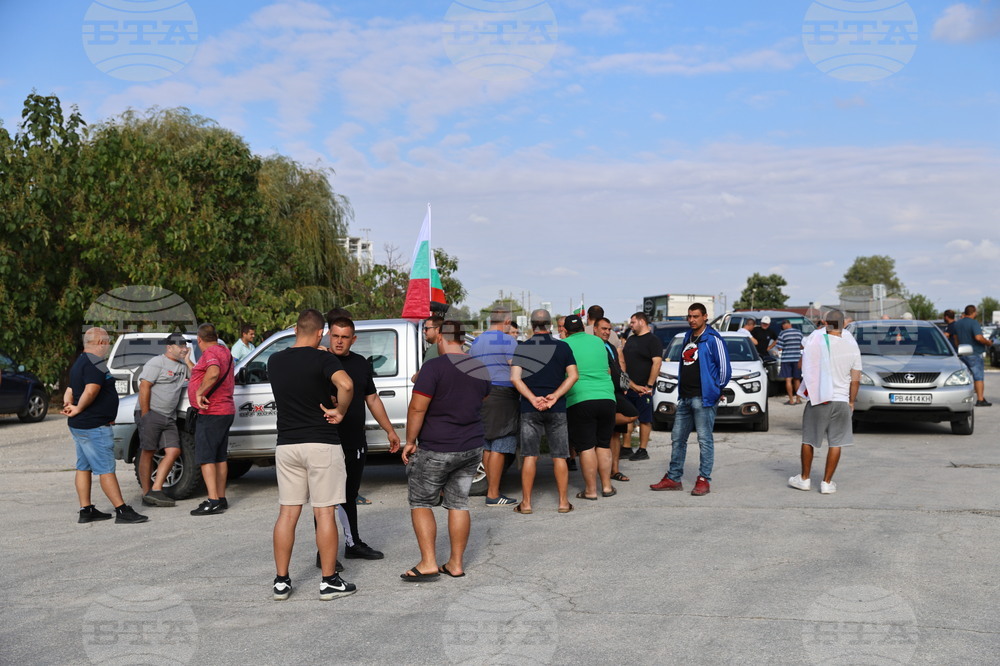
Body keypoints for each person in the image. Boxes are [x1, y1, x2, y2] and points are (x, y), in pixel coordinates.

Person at [268, 309, 355, 600]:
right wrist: (339, 411)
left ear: (295, 329)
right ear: (322, 333)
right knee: (324, 511)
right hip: (321, 443)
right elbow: (346, 384)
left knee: (288, 513)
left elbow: (298, 384)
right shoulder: (324, 358)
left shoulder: (275, 360)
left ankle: (281, 581)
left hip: (287, 444)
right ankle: (329, 580)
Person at [401, 320, 491, 580]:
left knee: (420, 502)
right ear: (463, 339)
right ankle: (456, 563)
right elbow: (482, 397)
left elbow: (417, 408)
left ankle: (428, 562)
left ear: (440, 336)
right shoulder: (479, 367)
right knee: (458, 504)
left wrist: (410, 441)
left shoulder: (434, 367)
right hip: (472, 446)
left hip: (437, 447)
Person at [326, 316, 401, 560]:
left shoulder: (360, 363)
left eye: (344, 337)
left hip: (355, 439)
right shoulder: (320, 361)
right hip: (327, 440)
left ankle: (352, 543)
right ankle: (324, 554)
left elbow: (372, 399)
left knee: (349, 493)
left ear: (353, 339)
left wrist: (389, 430)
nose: (339, 341)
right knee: (326, 500)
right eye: (335, 336)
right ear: (328, 335)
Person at [62, 328, 148, 524]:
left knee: (83, 467)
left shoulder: (80, 361)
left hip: (81, 425)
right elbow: (91, 391)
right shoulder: (94, 364)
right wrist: (77, 408)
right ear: (100, 342)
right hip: (93, 426)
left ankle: (86, 510)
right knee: (105, 469)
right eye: (107, 342)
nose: (108, 347)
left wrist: (69, 404)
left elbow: (70, 389)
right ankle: (121, 510)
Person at [651, 303, 731, 496]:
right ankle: (673, 478)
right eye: (689, 316)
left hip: (703, 398)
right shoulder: (688, 337)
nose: (692, 320)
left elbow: (725, 370)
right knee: (678, 438)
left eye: (696, 316)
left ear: (705, 317)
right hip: (685, 397)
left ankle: (704, 479)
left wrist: (715, 390)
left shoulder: (713, 339)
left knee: (704, 440)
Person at [510, 309, 578, 514]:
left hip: (530, 408)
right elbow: (573, 376)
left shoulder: (522, 348)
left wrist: (532, 398)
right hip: (556, 407)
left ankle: (527, 504)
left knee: (530, 455)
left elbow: (515, 378)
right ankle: (564, 503)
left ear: (531, 325)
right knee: (559, 456)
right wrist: (555, 396)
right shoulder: (562, 347)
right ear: (550, 325)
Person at [788, 309, 862, 494]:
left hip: (819, 398)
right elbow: (856, 379)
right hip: (842, 399)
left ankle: (804, 479)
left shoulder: (816, 341)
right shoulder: (852, 345)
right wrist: (851, 402)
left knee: (809, 440)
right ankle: (827, 483)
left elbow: (801, 365)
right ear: (843, 323)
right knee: (836, 442)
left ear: (824, 323)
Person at [469, 306, 520, 506]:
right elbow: (515, 368)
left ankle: (492, 490)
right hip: (502, 395)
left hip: (481, 394)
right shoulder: (508, 340)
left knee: (488, 445)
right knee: (500, 444)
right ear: (507, 321)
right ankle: (493, 493)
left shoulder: (477, 341)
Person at [562, 315, 617, 500]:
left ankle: (591, 491)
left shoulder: (565, 344)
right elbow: (608, 369)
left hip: (581, 398)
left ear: (566, 330)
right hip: (607, 397)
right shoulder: (598, 342)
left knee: (586, 446)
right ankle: (607, 487)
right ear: (584, 327)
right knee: (603, 444)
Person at [186, 324, 236, 516]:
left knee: (206, 457)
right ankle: (221, 498)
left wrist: (199, 392)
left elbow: (213, 372)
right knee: (219, 457)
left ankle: (213, 500)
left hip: (212, 412)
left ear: (199, 340)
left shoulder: (210, 353)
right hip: (225, 410)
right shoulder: (225, 351)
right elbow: (206, 372)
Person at [136, 333, 190, 507]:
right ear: (169, 347)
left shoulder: (182, 366)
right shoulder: (157, 362)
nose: (183, 348)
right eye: (180, 346)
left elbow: (198, 375)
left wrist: (188, 359)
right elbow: (144, 386)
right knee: (148, 451)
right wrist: (146, 414)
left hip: (169, 417)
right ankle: (146, 493)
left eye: (184, 345)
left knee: (173, 451)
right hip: (152, 413)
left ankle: (156, 490)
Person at [594, 317, 638, 483]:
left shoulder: (611, 346)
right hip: (602, 393)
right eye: (603, 329)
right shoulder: (593, 346)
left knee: (617, 432)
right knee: (607, 433)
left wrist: (627, 386)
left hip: (617, 391)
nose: (606, 332)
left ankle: (615, 470)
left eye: (608, 329)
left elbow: (618, 369)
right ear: (595, 329)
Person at [621, 312, 662, 461]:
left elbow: (657, 363)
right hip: (629, 386)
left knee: (644, 419)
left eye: (633, 322)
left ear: (642, 322)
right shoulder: (631, 340)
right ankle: (626, 448)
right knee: (627, 417)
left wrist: (649, 386)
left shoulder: (653, 341)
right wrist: (625, 384)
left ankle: (642, 449)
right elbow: (623, 362)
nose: (630, 325)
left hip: (644, 388)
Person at [952, 305, 991, 406]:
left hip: (961, 353)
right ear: (973, 312)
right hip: (974, 353)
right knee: (978, 377)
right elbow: (978, 337)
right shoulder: (974, 323)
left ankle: (960, 399)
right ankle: (980, 399)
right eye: (976, 312)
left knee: (963, 377)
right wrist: (987, 342)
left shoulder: (957, 323)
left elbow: (956, 341)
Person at [775, 320, 804, 405]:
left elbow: (779, 348)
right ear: (790, 325)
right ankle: (798, 399)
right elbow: (802, 345)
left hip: (786, 359)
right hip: (797, 359)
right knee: (797, 379)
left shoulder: (782, 334)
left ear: (784, 326)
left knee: (788, 379)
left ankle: (791, 400)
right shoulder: (799, 333)